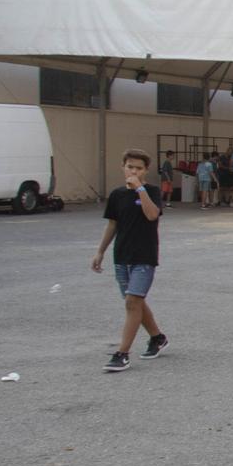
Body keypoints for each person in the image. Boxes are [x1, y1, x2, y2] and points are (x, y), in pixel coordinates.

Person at [91, 149, 168, 372]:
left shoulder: (151, 191)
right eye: (130, 167)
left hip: (144, 256)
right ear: (123, 167)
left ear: (146, 171)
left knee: (132, 302)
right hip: (121, 256)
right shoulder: (116, 195)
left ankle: (122, 353)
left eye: (139, 168)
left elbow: (152, 215)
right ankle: (157, 337)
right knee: (137, 302)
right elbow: (112, 225)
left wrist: (140, 189)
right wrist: (100, 251)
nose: (134, 171)